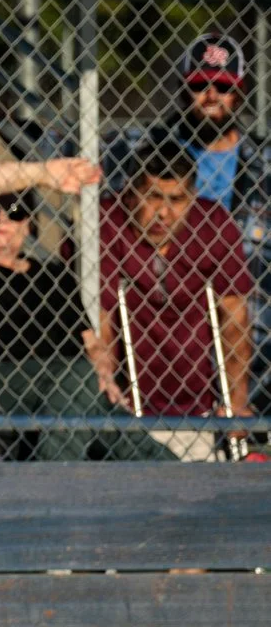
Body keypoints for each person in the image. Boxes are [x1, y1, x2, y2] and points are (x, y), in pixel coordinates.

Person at [0, 158, 174, 461]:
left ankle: (181, 481)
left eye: (15, 212)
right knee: (79, 380)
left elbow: (92, 344)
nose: (1, 221)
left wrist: (102, 374)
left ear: (28, 224)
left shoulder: (53, 277)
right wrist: (41, 173)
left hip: (65, 392)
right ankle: (54, 478)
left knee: (109, 413)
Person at [103, 32, 271, 410]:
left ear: (239, 92)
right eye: (199, 85)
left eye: (222, 87)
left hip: (258, 334)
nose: (211, 96)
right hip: (170, 335)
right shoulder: (139, 150)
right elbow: (69, 146)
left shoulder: (264, 165)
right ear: (183, 88)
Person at [96, 138, 255, 459]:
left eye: (177, 200)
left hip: (198, 405)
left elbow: (234, 317)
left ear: (192, 197)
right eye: (153, 197)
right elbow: (102, 316)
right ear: (130, 193)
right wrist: (106, 401)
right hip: (129, 407)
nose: (164, 214)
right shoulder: (106, 221)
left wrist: (236, 403)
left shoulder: (212, 224)